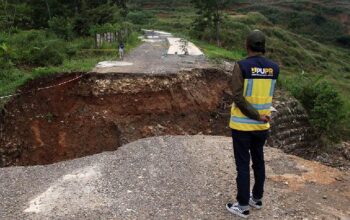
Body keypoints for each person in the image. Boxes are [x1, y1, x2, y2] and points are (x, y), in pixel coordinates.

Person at [226, 30, 280, 219]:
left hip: (243, 126)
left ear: (247, 45)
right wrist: (261, 116)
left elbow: (238, 98)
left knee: (242, 165)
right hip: (262, 126)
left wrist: (256, 115)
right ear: (263, 46)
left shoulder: (241, 66)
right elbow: (268, 94)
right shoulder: (274, 68)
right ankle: (256, 198)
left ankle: (242, 205)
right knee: (259, 161)